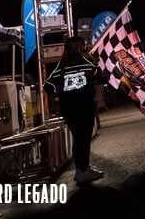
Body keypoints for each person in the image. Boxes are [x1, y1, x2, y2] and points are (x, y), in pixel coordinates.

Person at [44, 36, 106, 183]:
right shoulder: (87, 62)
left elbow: (47, 85)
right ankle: (83, 170)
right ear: (80, 47)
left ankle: (82, 169)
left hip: (68, 107)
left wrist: (61, 90)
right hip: (84, 105)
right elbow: (102, 78)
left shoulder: (61, 65)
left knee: (78, 138)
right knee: (83, 138)